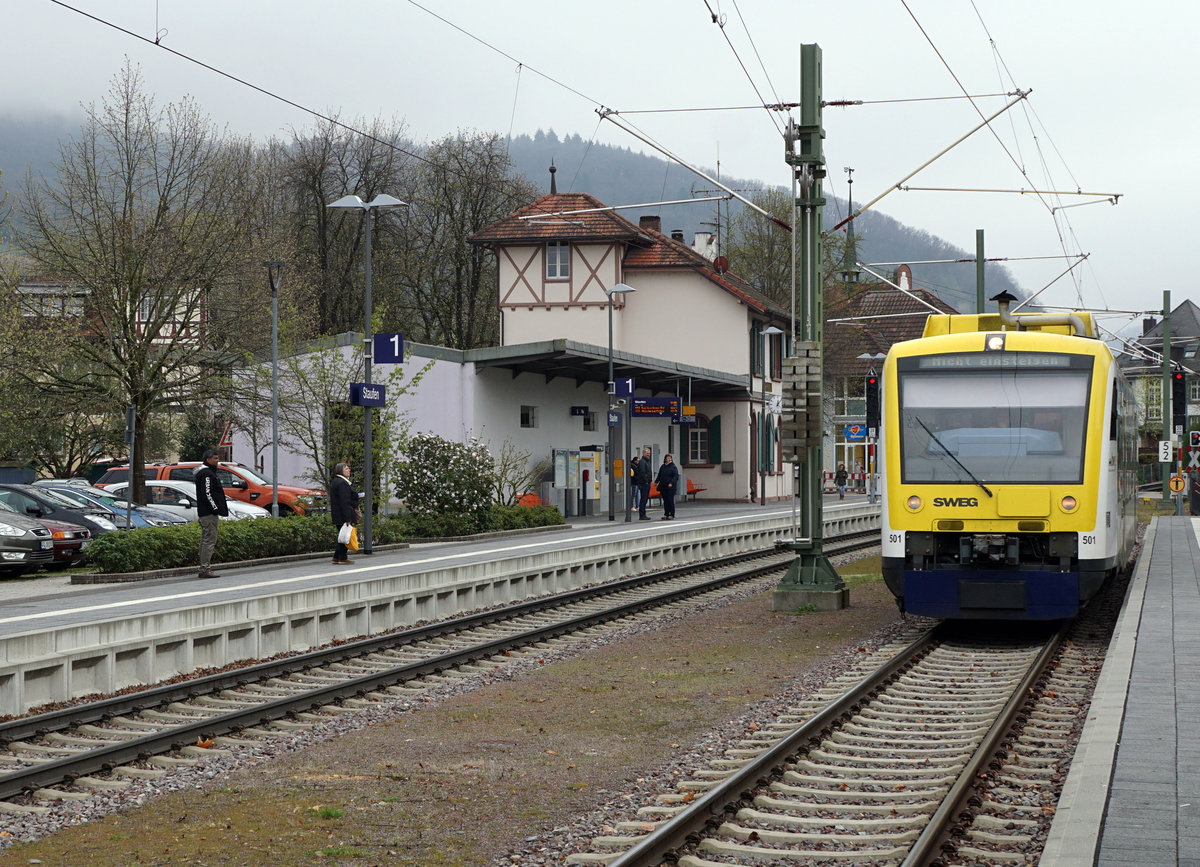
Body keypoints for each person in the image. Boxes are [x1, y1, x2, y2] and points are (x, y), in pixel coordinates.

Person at [194, 448, 228, 578]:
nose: (217, 460)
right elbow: (207, 493)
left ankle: (204, 567)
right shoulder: (207, 474)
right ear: (208, 459)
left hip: (206, 512)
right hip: (208, 513)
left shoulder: (207, 473)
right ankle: (205, 569)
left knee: (206, 540)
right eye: (215, 458)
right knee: (209, 540)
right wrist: (215, 508)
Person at [330, 461, 358, 564]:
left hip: (338, 514)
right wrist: (348, 518)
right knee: (345, 536)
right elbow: (344, 501)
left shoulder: (336, 481)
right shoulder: (342, 483)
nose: (349, 470)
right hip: (343, 515)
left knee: (343, 535)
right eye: (346, 469)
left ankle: (337, 557)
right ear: (340, 471)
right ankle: (342, 557)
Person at [655, 453, 680, 520]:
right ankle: (666, 514)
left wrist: (671, 482)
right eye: (667, 458)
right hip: (663, 486)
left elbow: (676, 476)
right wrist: (656, 481)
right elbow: (659, 475)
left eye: (670, 458)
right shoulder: (662, 466)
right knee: (665, 501)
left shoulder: (673, 467)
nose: (669, 459)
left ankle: (672, 514)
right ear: (665, 459)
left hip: (671, 487)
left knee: (670, 500)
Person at [635, 447, 654, 520]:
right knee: (644, 499)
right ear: (643, 453)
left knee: (644, 499)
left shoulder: (647, 461)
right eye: (647, 453)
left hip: (646, 483)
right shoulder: (643, 462)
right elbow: (643, 473)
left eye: (649, 453)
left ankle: (643, 514)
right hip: (644, 483)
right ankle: (642, 515)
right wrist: (646, 481)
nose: (648, 454)